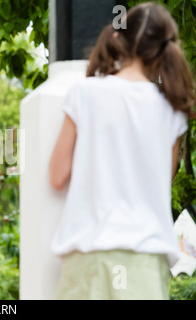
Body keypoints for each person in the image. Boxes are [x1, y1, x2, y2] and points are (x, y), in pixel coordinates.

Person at [49, 2, 195, 300]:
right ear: (163, 49)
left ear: (119, 39)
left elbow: (57, 175)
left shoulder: (85, 93)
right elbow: (161, 180)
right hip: (145, 260)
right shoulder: (171, 111)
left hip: (88, 255)